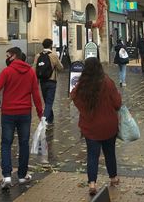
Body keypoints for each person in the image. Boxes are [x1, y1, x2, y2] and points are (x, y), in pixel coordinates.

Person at [0, 47, 42, 190]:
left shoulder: (7, 71)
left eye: (8, 55)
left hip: (9, 113)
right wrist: (41, 113)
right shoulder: (30, 72)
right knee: (24, 144)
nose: (6, 58)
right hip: (24, 113)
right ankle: (23, 176)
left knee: (6, 143)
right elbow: (36, 94)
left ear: (14, 56)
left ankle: (6, 176)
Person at [70, 57, 122, 196]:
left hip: (90, 126)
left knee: (92, 155)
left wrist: (85, 111)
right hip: (109, 125)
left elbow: (73, 96)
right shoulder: (107, 82)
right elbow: (117, 103)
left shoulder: (82, 84)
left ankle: (92, 183)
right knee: (110, 153)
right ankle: (113, 178)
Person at [33, 38, 63, 124]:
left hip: (42, 81)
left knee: (47, 101)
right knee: (49, 102)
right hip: (51, 81)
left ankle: (50, 119)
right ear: (50, 45)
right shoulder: (53, 55)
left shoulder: (38, 55)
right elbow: (60, 67)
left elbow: (34, 68)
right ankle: (44, 119)